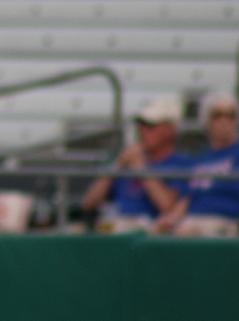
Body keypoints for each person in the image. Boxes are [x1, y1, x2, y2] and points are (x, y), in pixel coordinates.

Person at [155, 94, 239, 237]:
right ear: (206, 120)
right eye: (217, 115)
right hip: (194, 221)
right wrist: (170, 221)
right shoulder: (199, 159)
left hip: (234, 222)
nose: (224, 121)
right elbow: (185, 200)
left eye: (231, 115)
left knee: (188, 234)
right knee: (155, 234)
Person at [80, 97, 191, 233]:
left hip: (150, 228)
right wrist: (116, 165)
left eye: (151, 126)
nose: (143, 131)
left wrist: (141, 168)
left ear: (170, 129)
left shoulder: (181, 163)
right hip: (117, 223)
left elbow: (168, 206)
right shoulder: (126, 163)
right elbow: (89, 203)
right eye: (141, 125)